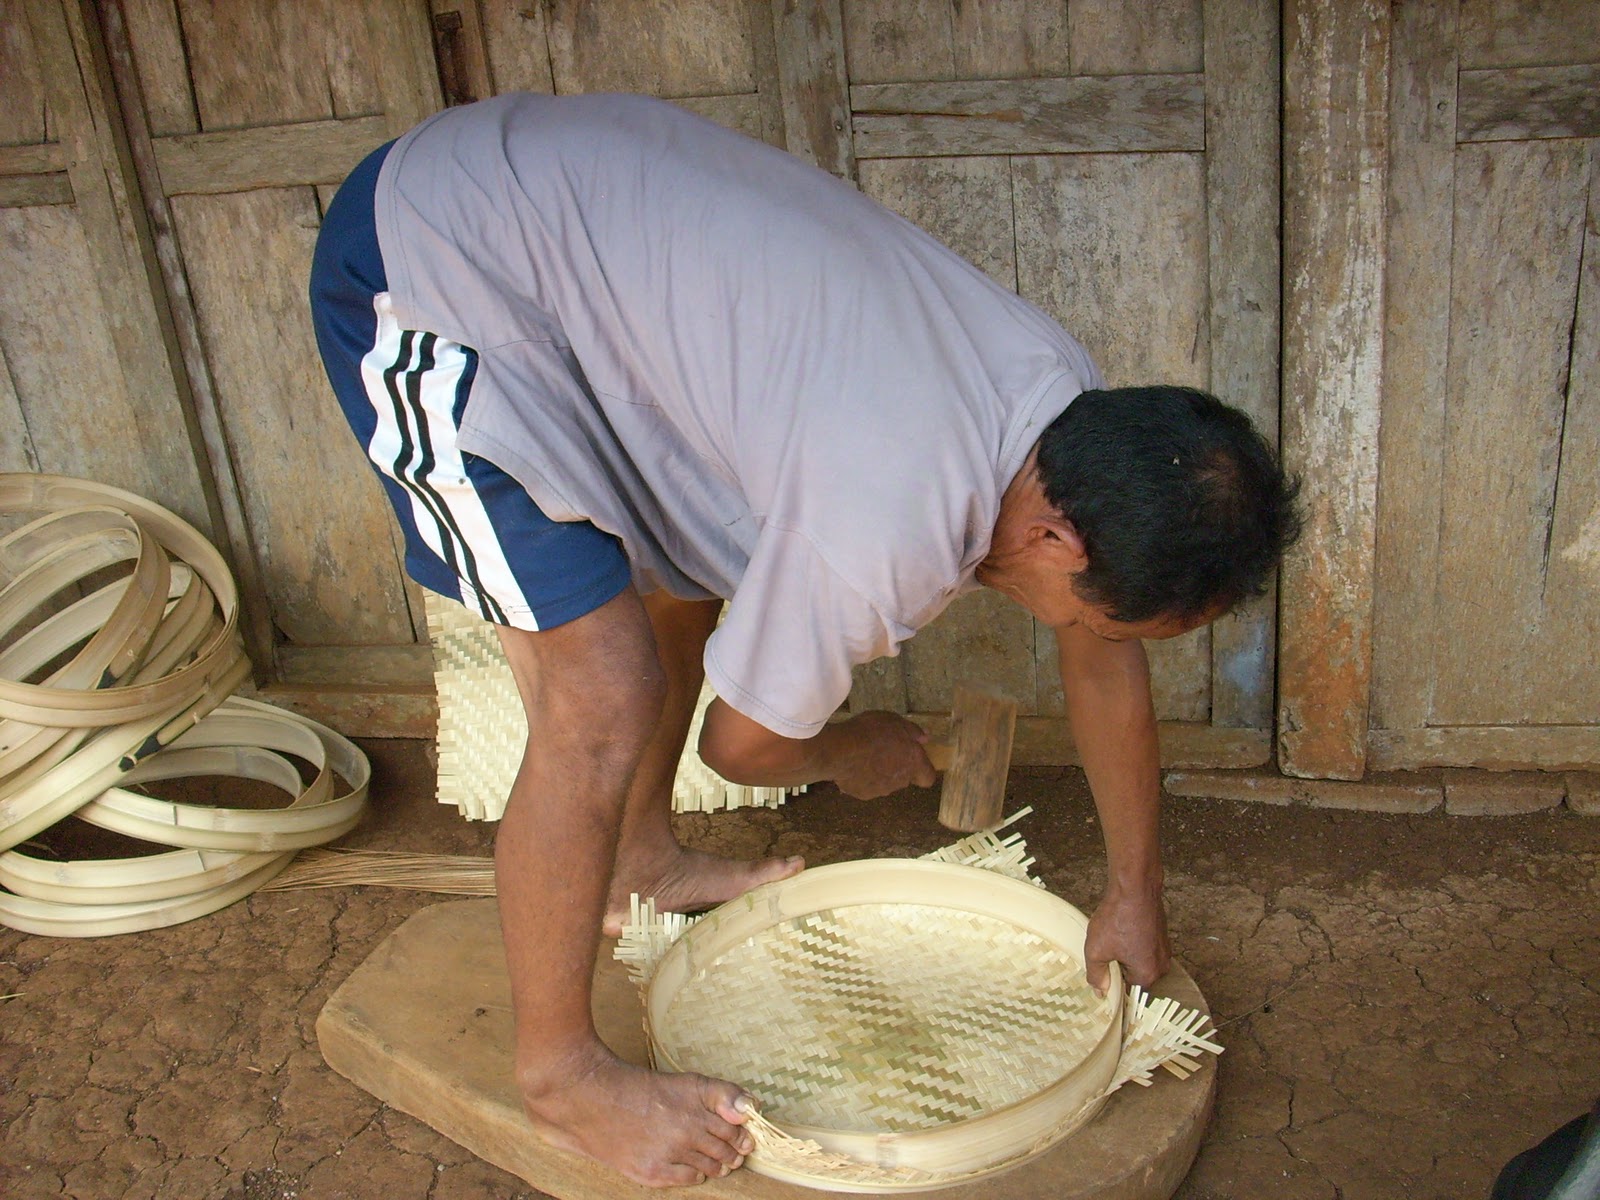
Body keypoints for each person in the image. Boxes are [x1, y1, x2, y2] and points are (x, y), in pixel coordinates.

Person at [309, 92, 1300, 1188]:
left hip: (574, 252)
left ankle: (633, 862)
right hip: (433, 269)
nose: (1083, 636)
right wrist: (847, 745)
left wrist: (1131, 891)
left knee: (677, 585)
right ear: (1055, 539)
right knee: (601, 690)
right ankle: (562, 1079)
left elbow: (1103, 662)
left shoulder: (1061, 408)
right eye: (1088, 613)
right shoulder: (886, 523)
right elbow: (740, 747)